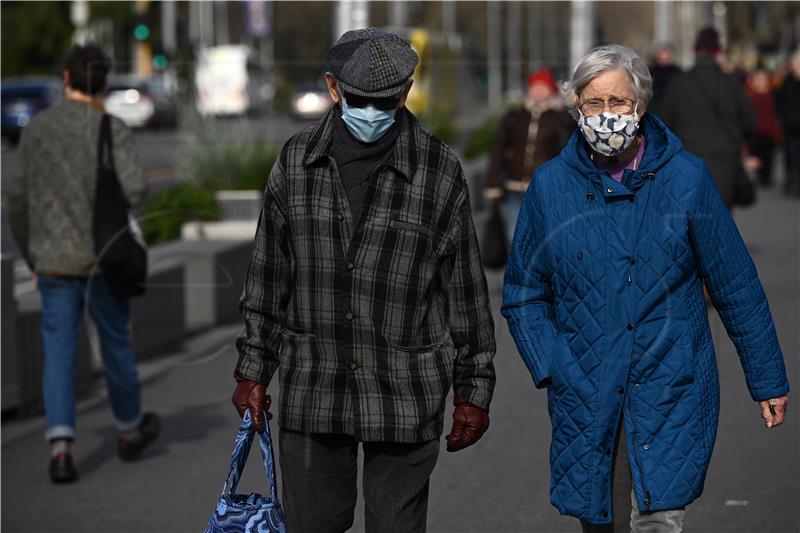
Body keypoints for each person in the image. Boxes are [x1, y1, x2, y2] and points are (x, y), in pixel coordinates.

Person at [502, 44, 790, 533]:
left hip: (668, 384)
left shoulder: (686, 179)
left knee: (658, 518)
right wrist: (553, 363)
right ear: (576, 108)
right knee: (603, 519)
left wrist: (767, 380)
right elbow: (524, 292)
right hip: (586, 388)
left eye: (619, 103)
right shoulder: (551, 186)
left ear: (641, 106)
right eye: (594, 104)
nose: (607, 115)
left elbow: (735, 285)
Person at [231, 28, 496, 533]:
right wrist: (253, 371)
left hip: (406, 395)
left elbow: (465, 293)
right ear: (334, 89)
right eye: (359, 100)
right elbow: (267, 277)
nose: (372, 111)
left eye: (385, 100)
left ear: (404, 91)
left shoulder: (439, 171)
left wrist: (473, 391)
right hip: (315, 392)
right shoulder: (295, 163)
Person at [7, 43, 159, 484]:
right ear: (104, 83)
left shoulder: (37, 129)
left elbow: (18, 202)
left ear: (67, 80)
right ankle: (129, 429)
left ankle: (60, 448)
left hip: (52, 262)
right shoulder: (111, 129)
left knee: (58, 351)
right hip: (104, 260)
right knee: (115, 345)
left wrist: (33, 253)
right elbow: (134, 192)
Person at [658, 26, 758, 209]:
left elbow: (662, 122)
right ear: (718, 52)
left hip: (687, 159)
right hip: (725, 159)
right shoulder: (732, 83)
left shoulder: (679, 83)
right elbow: (750, 121)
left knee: (691, 214)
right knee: (721, 214)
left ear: (695, 51)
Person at [485, 66, 569, 242]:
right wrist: (492, 181)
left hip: (545, 189)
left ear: (551, 90)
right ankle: (518, 268)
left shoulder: (560, 119)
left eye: (543, 87)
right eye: (535, 86)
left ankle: (536, 269)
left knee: (542, 236)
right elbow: (498, 149)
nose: (538, 91)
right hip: (515, 187)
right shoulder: (514, 117)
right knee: (514, 235)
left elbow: (565, 152)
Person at [747, 67, 780, 187]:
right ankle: (760, 176)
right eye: (758, 79)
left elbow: (777, 113)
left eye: (763, 79)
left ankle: (767, 176)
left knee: (769, 155)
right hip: (755, 130)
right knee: (757, 154)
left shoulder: (773, 95)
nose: (760, 81)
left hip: (770, 130)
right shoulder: (751, 95)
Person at [776, 49, 800, 198]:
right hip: (790, 127)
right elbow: (779, 102)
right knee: (791, 156)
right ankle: (792, 182)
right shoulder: (787, 82)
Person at [647, 42, 681, 114]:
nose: (664, 57)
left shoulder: (676, 72)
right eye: (662, 54)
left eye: (667, 54)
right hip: (653, 109)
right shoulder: (650, 71)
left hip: (672, 110)